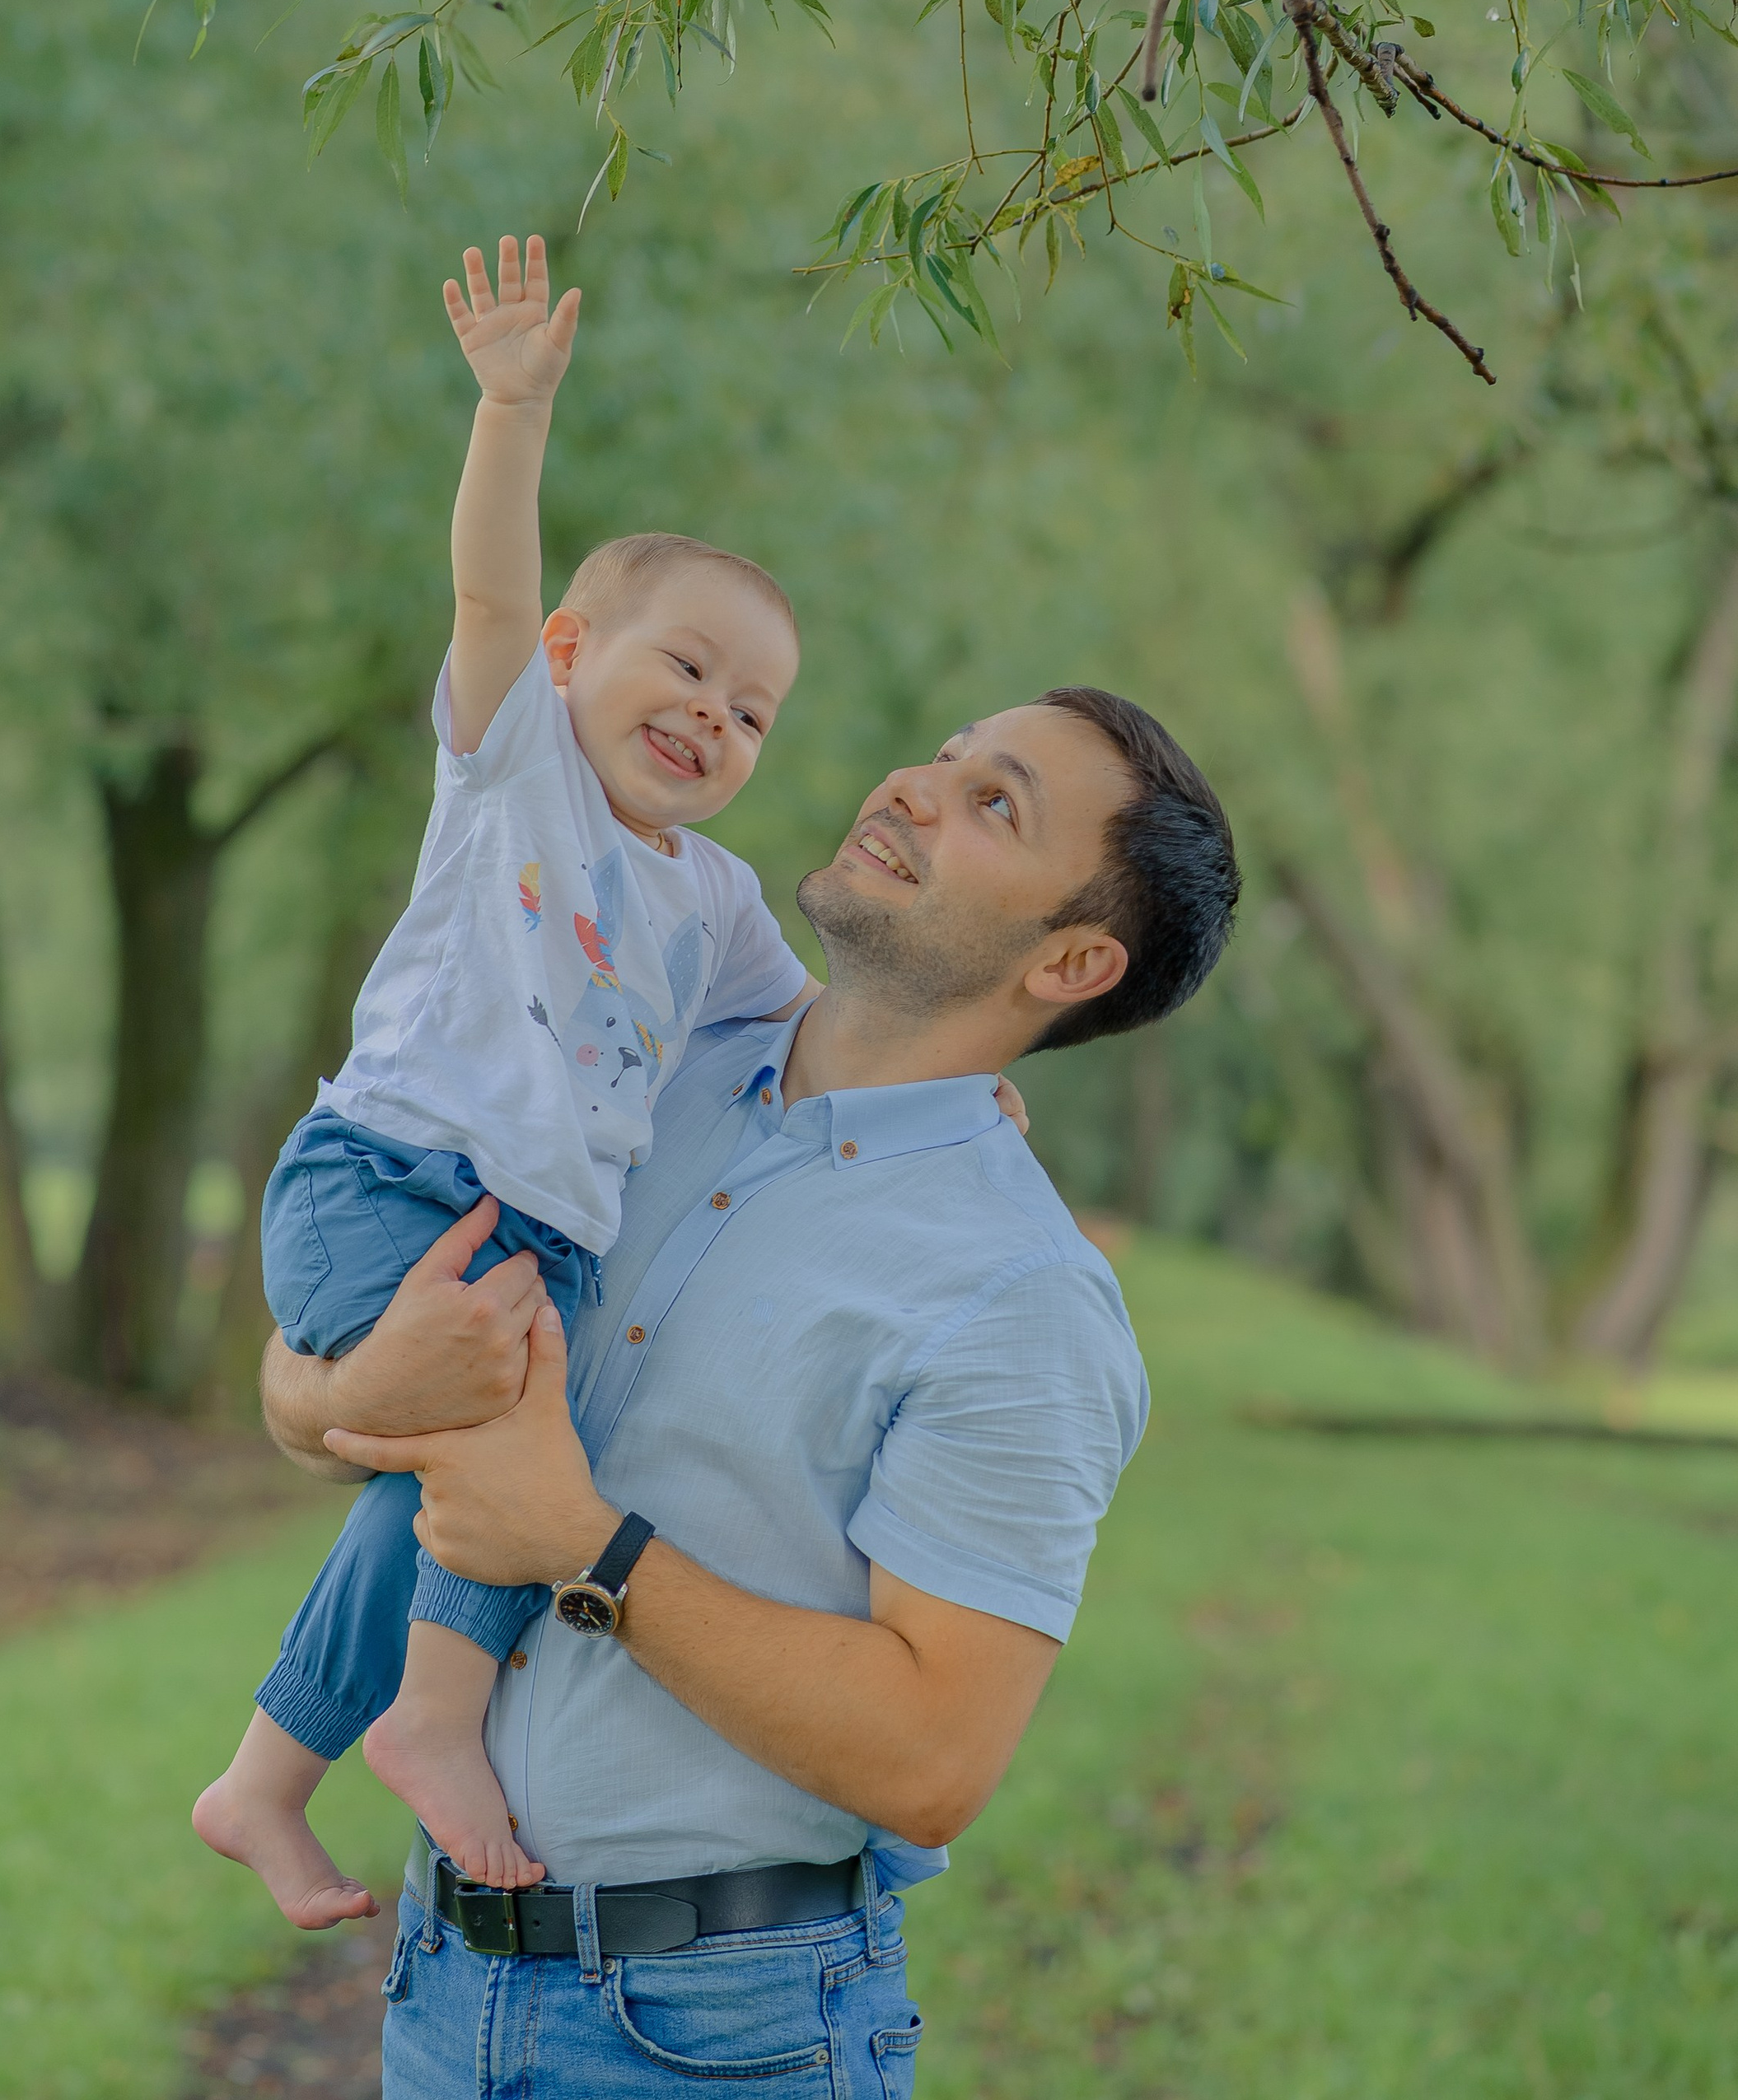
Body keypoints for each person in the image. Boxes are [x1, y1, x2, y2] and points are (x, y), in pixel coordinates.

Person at [199, 234, 1023, 1924]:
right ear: (575, 657)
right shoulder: (515, 770)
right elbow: (494, 592)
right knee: (488, 1460)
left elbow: (815, 1033)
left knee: (508, 1474)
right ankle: (416, 1725)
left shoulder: (711, 900)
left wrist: (969, 1079)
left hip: (530, 1239)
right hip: (394, 1176)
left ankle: (273, 1775)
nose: (715, 719)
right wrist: (511, 412)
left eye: (753, 713)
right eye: (686, 670)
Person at [260, 682, 1240, 2095]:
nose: (915, 784)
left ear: (1075, 962)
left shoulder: (1022, 1299)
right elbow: (329, 1332)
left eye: (995, 803)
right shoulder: (613, 1064)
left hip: (721, 2037)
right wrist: (335, 1394)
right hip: (440, 1991)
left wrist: (585, 1550)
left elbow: (930, 1760)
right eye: (948, 756)